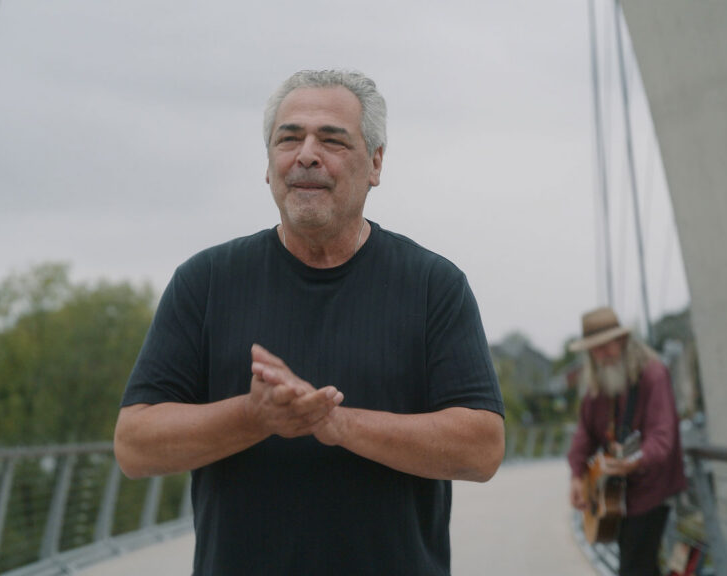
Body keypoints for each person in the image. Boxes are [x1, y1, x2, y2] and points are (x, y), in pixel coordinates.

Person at [114, 69, 505, 576]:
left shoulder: (434, 286)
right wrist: (255, 417)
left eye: (332, 140)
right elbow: (134, 445)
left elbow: (481, 448)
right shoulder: (205, 282)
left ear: (376, 163)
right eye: (289, 138)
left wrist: (336, 424)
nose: (306, 154)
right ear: (269, 164)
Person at [566, 306, 687, 576]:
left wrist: (634, 461)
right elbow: (583, 434)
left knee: (634, 567)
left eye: (606, 346)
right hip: (618, 495)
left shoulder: (653, 375)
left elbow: (662, 437)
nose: (602, 355)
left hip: (652, 490)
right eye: (594, 349)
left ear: (622, 340)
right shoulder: (598, 384)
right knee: (641, 567)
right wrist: (576, 475)